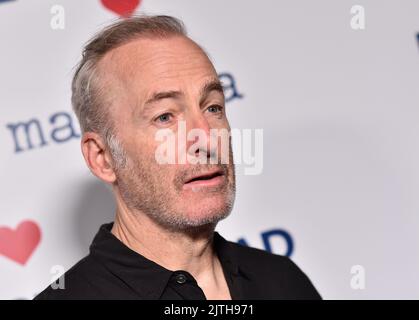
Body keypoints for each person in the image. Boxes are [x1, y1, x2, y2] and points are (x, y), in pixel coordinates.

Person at [35, 15, 321, 300]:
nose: (207, 139)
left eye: (212, 108)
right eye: (165, 117)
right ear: (102, 157)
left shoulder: (282, 281)